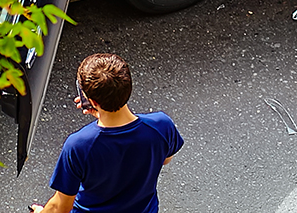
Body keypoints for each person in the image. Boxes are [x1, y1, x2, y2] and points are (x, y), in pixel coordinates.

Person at [30, 53, 183, 213]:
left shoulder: (79, 145)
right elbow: (165, 159)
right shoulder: (161, 125)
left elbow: (61, 206)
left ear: (93, 102)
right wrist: (103, 113)